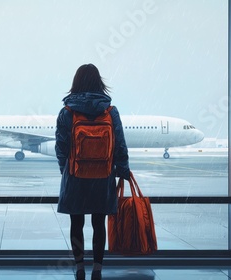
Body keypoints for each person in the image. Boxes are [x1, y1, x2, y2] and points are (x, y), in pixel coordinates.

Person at [55, 64, 130, 280]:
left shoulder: (67, 112)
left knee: (76, 224)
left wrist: (66, 170)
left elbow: (61, 146)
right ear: (99, 82)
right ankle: (97, 268)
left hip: (76, 176)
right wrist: (122, 169)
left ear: (76, 82)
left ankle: (80, 268)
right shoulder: (110, 111)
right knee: (99, 224)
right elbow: (120, 145)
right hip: (103, 175)